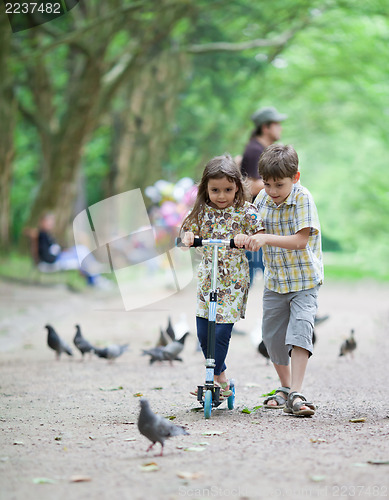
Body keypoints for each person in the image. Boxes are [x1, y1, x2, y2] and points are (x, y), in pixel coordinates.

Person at [242, 144, 323, 416]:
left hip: (304, 280)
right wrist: (249, 237)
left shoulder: (303, 198)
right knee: (272, 337)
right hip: (275, 281)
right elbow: (255, 229)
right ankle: (286, 388)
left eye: (279, 184)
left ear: (295, 178)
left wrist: (265, 238)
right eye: (267, 184)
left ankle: (298, 392)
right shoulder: (262, 200)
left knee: (300, 330)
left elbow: (301, 241)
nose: (273, 191)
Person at [180, 154, 264, 397]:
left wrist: (246, 239)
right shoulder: (201, 212)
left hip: (233, 280)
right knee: (203, 330)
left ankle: (214, 377)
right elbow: (186, 232)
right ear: (205, 188)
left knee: (222, 332)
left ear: (237, 186)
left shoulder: (245, 211)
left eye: (228, 189)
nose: (221, 196)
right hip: (208, 278)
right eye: (215, 190)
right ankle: (220, 375)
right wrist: (187, 237)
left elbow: (259, 235)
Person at [241, 106, 287, 286]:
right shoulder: (254, 150)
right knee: (251, 273)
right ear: (265, 127)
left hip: (266, 218)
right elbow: (250, 185)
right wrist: (282, 182)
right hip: (255, 220)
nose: (280, 128)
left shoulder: (262, 149)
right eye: (277, 124)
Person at [37, 213, 110, 288]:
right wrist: (59, 254)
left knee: (81, 250)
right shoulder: (42, 236)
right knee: (81, 253)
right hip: (55, 259)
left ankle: (94, 275)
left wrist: (63, 251)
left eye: (52, 222)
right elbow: (47, 255)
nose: (51, 224)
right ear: (43, 222)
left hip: (59, 256)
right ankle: (95, 276)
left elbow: (54, 248)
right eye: (49, 222)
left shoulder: (47, 235)